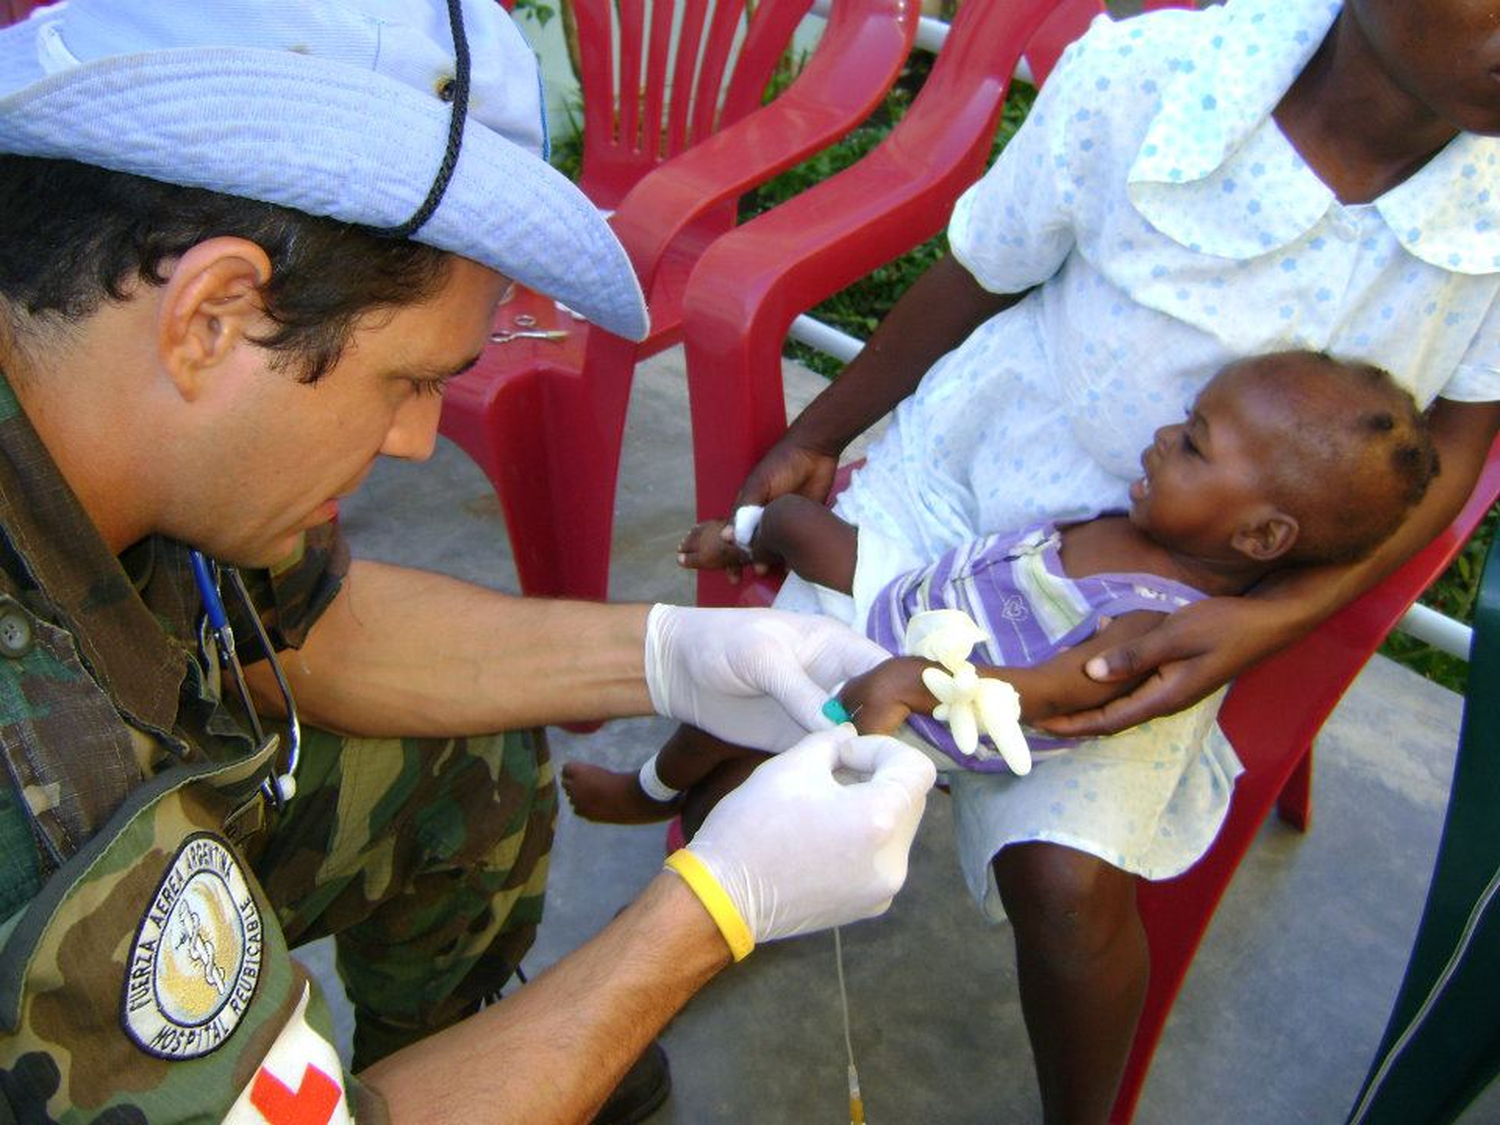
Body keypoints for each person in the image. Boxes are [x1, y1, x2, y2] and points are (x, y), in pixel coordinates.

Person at [0, 3, 939, 1124]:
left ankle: (486, 1051)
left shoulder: (111, 418)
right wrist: (705, 918)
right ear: (213, 313)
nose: (413, 438)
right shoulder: (35, 778)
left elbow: (324, 629)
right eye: (406, 380)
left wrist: (677, 655)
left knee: (466, 751)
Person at [681, 0, 1500, 1118]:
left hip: (1164, 603)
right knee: (768, 700)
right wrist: (821, 430)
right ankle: (684, 905)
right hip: (958, 496)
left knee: (1067, 887)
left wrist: (1270, 621)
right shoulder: (1155, 81)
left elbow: (1456, 449)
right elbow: (982, 270)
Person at [562, 350, 1439, 818]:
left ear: (1259, 534)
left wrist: (919, 681)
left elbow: (1052, 692)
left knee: (738, 695)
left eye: (1197, 443)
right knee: (796, 523)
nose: (1166, 435)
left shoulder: (1158, 615)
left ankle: (653, 790)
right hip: (917, 603)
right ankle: (744, 537)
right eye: (1187, 418)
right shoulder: (1146, 517)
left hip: (934, 694)